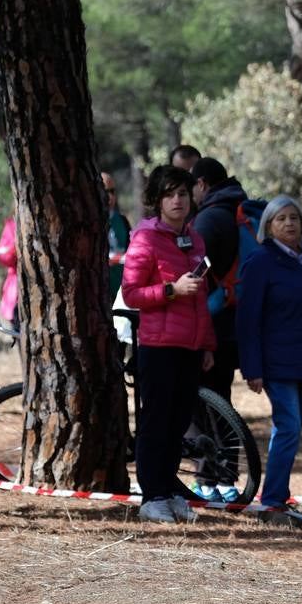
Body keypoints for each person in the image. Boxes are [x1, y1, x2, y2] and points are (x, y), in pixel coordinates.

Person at [121, 165, 216, 524]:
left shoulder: (195, 239)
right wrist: (171, 290)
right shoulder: (145, 239)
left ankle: (169, 489)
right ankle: (152, 495)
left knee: (177, 424)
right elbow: (131, 294)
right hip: (158, 346)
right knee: (156, 422)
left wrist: (206, 344)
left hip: (190, 347)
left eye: (182, 193)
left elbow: (202, 295)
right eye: (169, 194)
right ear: (157, 200)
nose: (177, 200)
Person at [236, 195, 302, 520]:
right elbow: (247, 319)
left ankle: (279, 497)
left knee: (291, 428)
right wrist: (252, 368)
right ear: (269, 226)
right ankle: (272, 502)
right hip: (274, 361)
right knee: (288, 426)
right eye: (280, 219)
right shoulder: (260, 261)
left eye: (293, 217)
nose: (289, 223)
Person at [190, 157, 249, 404]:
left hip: (213, 321)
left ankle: (215, 443)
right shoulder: (236, 207)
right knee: (222, 392)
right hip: (236, 313)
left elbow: (198, 269)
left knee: (208, 397)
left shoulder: (208, 218)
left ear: (201, 184)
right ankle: (228, 442)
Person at [103, 172, 131, 306]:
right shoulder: (88, 224)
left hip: (122, 292)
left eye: (112, 191)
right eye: (104, 191)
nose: (109, 196)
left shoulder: (122, 221)